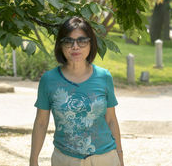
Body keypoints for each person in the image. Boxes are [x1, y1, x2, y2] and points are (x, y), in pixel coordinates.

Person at [30, 16, 125, 166]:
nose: (75, 47)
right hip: (65, 159)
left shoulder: (104, 77)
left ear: (91, 44)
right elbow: (41, 123)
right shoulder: (49, 80)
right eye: (68, 41)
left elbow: (111, 120)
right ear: (60, 45)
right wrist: (33, 159)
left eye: (82, 41)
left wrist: (120, 157)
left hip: (105, 158)